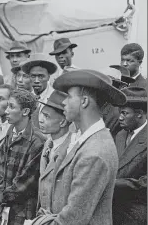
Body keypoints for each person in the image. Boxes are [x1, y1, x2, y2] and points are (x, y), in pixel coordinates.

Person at [30, 69, 127, 224]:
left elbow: (72, 219)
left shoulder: (95, 152)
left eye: (69, 96)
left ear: (84, 101)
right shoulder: (83, 140)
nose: (63, 102)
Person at [0, 89, 46, 225]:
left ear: (25, 112)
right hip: (5, 205)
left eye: (12, 107)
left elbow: (25, 183)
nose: (6, 111)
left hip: (23, 210)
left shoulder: (37, 141)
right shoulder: (11, 131)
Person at [113, 87, 147, 225]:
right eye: (120, 112)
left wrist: (119, 184)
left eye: (124, 113)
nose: (119, 117)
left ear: (139, 114)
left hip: (137, 214)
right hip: (114, 209)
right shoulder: (120, 135)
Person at [36, 90, 74, 214]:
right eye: (42, 114)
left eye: (47, 116)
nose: (41, 120)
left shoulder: (71, 149)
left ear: (63, 122)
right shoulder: (48, 143)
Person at [21, 53, 57, 128]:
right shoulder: (26, 98)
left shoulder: (55, 98)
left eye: (41, 76)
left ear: (48, 77)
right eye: (33, 76)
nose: (36, 81)